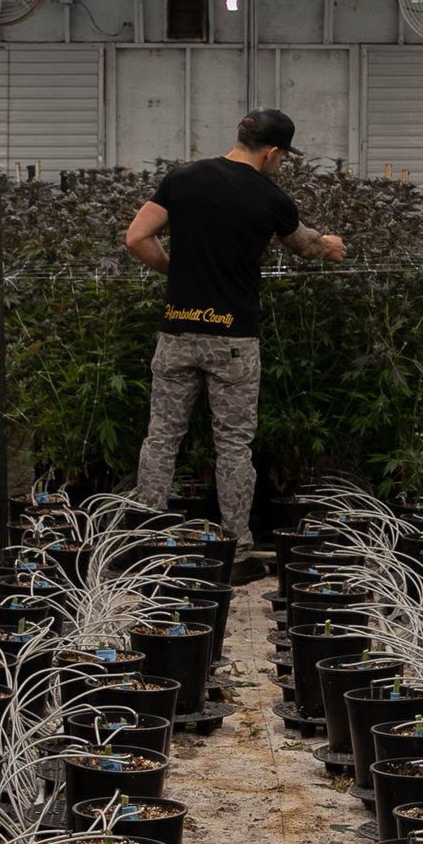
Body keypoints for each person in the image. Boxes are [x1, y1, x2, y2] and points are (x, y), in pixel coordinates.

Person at [124, 108, 347, 581]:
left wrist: (175, 271)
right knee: (233, 447)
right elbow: (306, 246)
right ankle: (237, 554)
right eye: (282, 158)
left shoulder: (182, 179)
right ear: (271, 153)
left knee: (162, 438)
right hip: (233, 341)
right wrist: (329, 244)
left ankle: (142, 545)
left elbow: (137, 237)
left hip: (177, 332)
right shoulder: (271, 197)